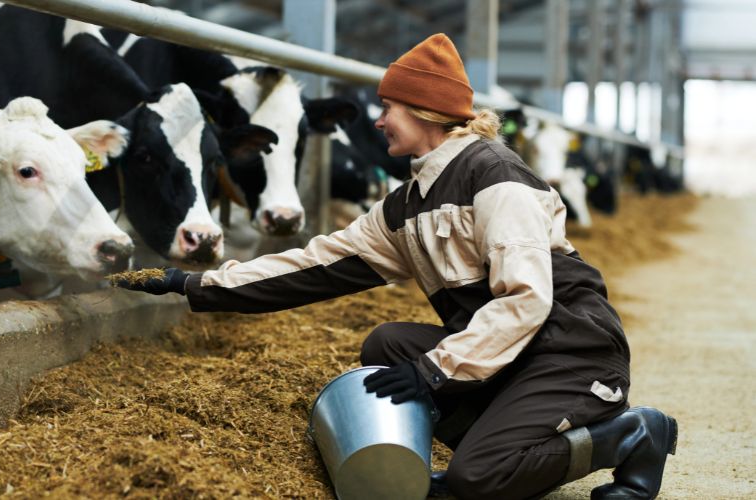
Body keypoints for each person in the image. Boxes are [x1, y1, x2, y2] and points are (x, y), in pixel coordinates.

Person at [116, 33, 677, 500]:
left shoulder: (496, 177)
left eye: (389, 108)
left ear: (425, 111)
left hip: (569, 352)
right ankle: (510, 441)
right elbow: (316, 263)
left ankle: (626, 436)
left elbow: (524, 301)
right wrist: (195, 283)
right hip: (508, 352)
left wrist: (436, 371)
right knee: (387, 346)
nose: (378, 121)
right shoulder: (407, 204)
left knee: (475, 478)